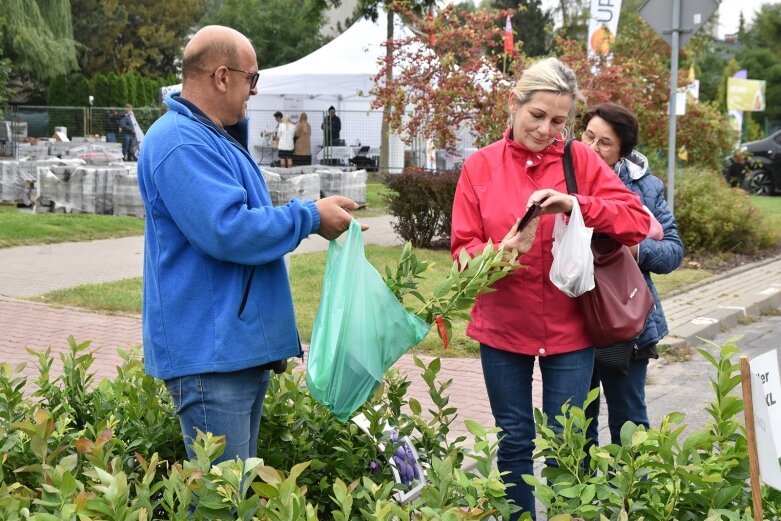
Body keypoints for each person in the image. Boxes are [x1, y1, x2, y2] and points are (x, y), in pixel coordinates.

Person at [137, 25, 364, 465]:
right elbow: (228, 229)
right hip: (211, 358)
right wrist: (311, 216)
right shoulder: (181, 142)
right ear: (222, 77)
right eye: (251, 79)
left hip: (229, 352)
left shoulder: (209, 135)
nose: (255, 92)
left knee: (234, 493)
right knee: (223, 500)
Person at [450, 57, 651, 520]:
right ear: (513, 104)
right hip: (502, 326)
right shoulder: (479, 167)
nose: (546, 129)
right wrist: (501, 253)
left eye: (559, 121)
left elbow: (638, 221)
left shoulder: (579, 159)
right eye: (536, 116)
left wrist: (576, 203)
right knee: (515, 438)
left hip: (571, 330)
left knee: (566, 444)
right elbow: (462, 252)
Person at [581, 102, 684, 446]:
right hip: (572, 319)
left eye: (604, 143)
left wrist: (634, 248)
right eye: (588, 136)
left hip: (624, 320)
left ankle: (628, 497)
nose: (592, 148)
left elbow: (672, 253)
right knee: (577, 423)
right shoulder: (561, 177)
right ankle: (576, 500)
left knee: (629, 422)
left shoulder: (645, 187)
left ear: (623, 151)